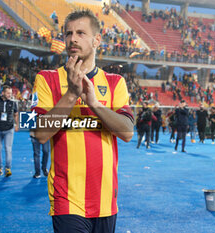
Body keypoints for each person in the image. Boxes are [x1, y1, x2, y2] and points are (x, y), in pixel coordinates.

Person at [32, 9, 134, 233]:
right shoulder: (46, 78)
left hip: (106, 199)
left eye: (80, 33)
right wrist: (70, 95)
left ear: (97, 39)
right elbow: (40, 134)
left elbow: (127, 133)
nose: (72, 39)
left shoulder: (115, 82)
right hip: (66, 198)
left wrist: (94, 103)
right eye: (68, 33)